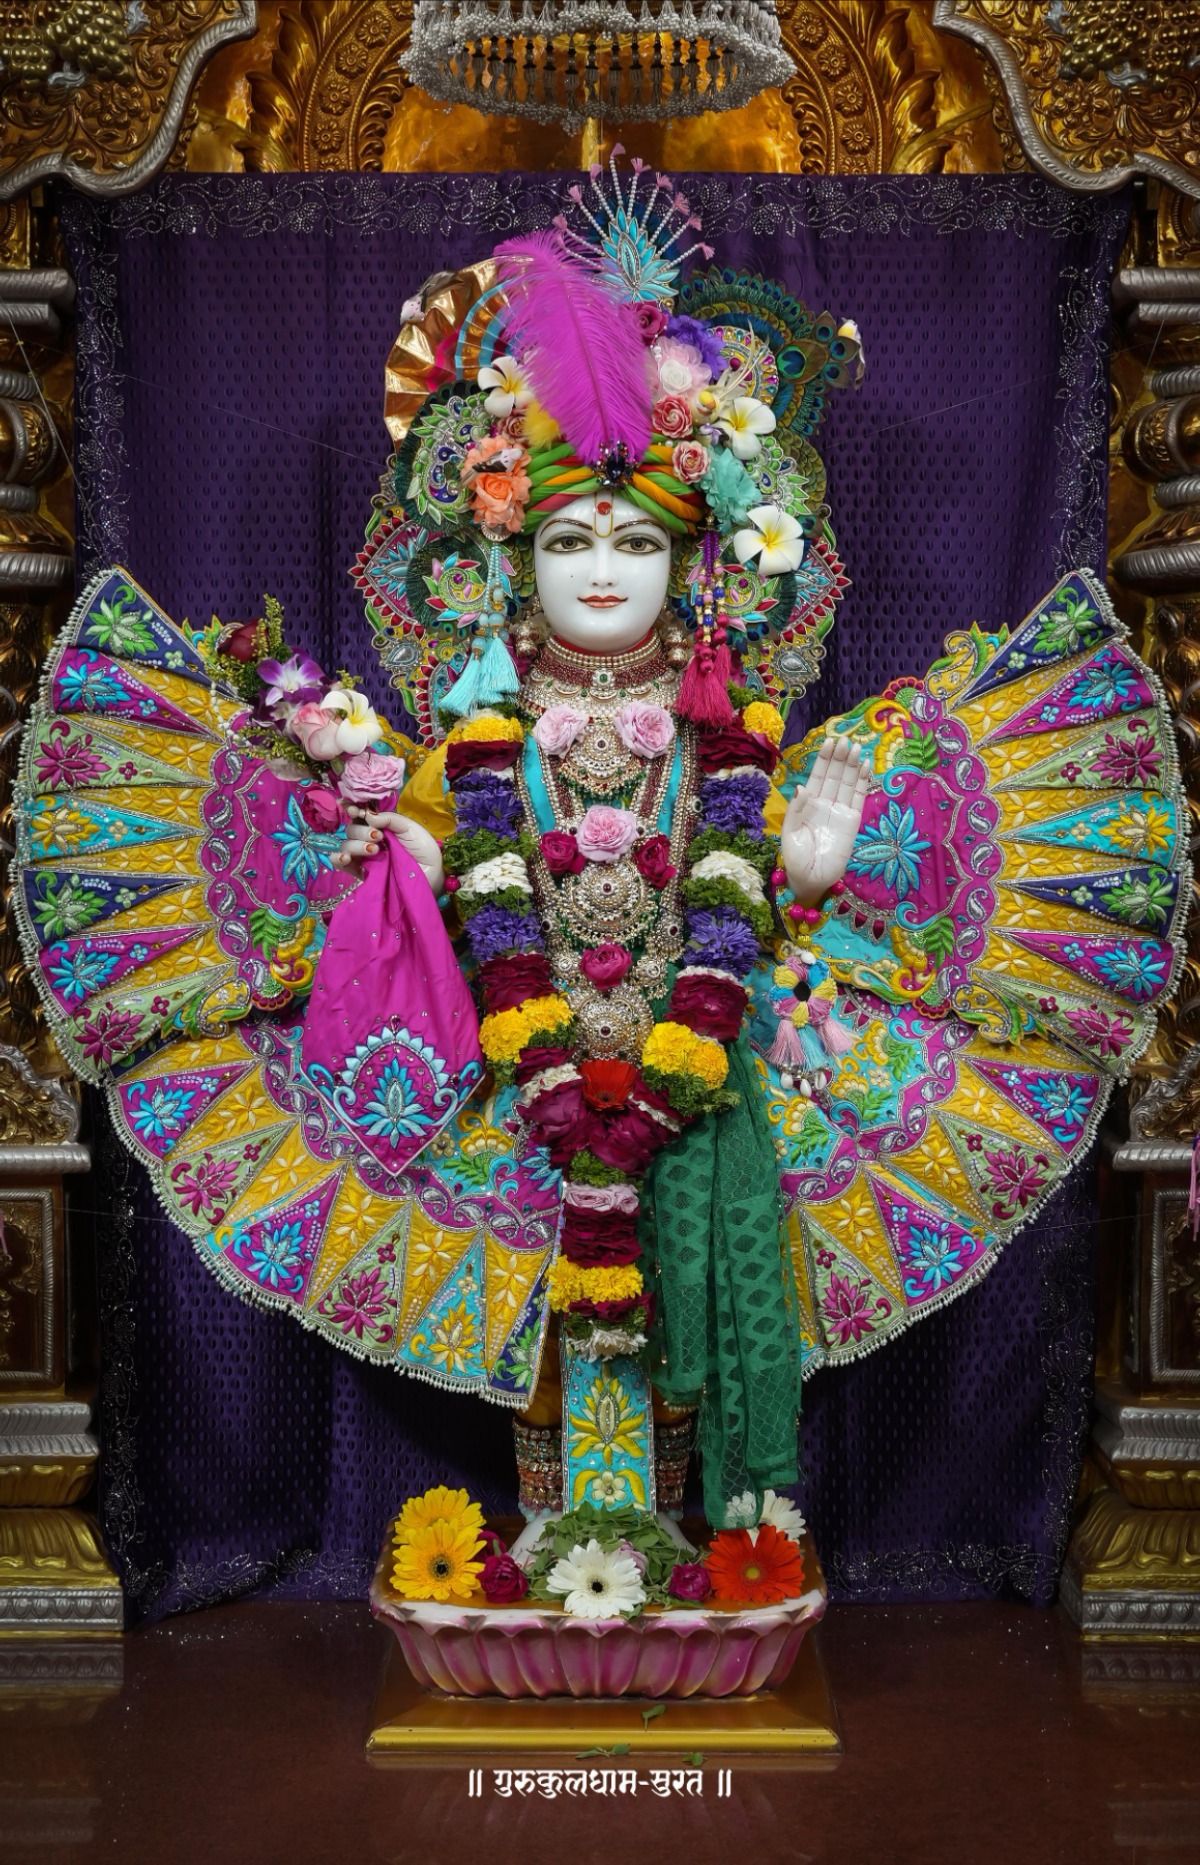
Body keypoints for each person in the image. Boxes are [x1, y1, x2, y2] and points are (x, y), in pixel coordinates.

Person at [17, 161, 1186, 1529]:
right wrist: (394, 854)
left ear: (701, 567)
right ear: (507, 564)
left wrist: (813, 865)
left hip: (712, 1061)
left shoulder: (732, 729)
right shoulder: (476, 744)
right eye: (569, 536)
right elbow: (445, 863)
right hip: (514, 1078)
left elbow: (758, 882)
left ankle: (674, 1546)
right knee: (543, 1321)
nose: (602, 568)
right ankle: (569, 1541)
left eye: (637, 537)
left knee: (692, 1287)